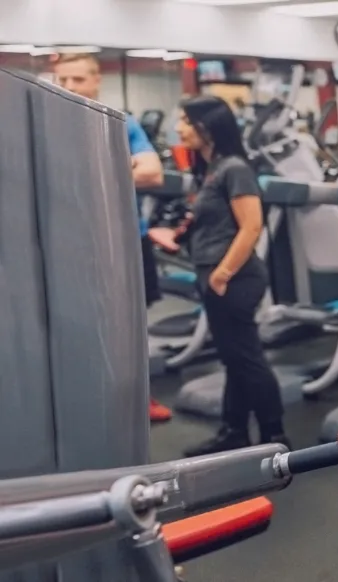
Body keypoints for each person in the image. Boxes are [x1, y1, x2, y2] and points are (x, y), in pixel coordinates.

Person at [53, 53, 172, 423]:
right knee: (65, 323)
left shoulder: (121, 124)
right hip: (66, 243)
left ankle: (138, 398)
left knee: (130, 327)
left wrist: (83, 172)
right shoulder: (46, 123)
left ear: (95, 81)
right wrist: (119, 167)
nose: (70, 87)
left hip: (121, 241)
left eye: (77, 79)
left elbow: (152, 173)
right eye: (63, 80)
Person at [170, 95, 291, 457]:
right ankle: (234, 430)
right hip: (215, 274)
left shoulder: (234, 168)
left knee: (246, 357)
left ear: (208, 127)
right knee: (234, 358)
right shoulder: (210, 169)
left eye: (187, 122)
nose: (179, 128)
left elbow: (252, 226)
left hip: (235, 278)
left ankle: (276, 436)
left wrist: (221, 274)